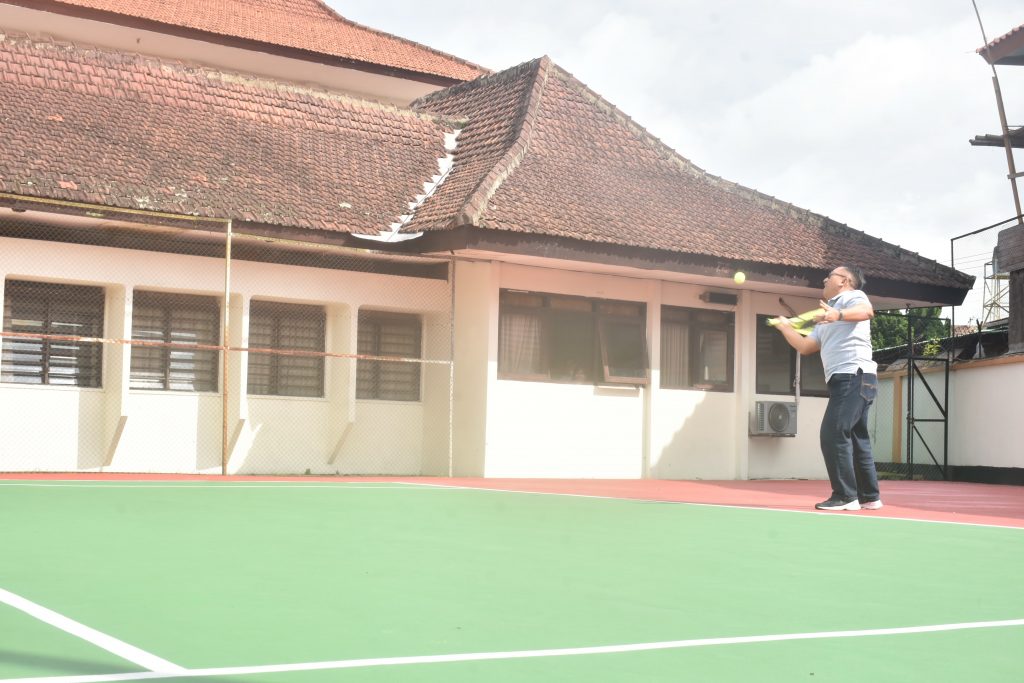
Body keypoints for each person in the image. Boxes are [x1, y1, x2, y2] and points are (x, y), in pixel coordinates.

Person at [771, 265, 883, 511]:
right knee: (856, 437)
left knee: (833, 434)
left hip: (852, 375)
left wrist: (838, 315)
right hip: (855, 378)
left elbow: (867, 311)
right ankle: (869, 496)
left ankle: (845, 496)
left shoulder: (852, 297)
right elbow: (806, 347)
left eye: (829, 276)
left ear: (844, 281)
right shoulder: (826, 315)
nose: (824, 279)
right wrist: (785, 327)